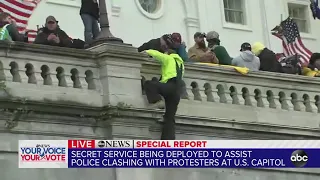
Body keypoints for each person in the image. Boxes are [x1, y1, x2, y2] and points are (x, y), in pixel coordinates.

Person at [144, 49, 184, 140]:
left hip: (169, 86)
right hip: (177, 91)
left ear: (168, 53)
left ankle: (157, 101)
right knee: (170, 118)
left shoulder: (169, 58)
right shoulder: (181, 64)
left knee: (149, 84)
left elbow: (158, 55)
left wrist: (147, 51)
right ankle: (168, 142)